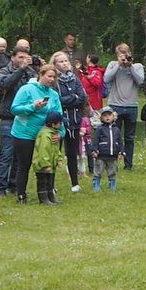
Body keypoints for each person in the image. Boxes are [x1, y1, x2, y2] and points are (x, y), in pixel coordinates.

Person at [10, 62, 60, 203]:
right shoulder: (26, 89)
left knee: (46, 163)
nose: (51, 79)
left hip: (45, 135)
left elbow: (59, 114)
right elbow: (14, 109)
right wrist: (33, 107)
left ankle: (46, 195)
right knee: (24, 165)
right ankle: (21, 195)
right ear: (41, 75)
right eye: (49, 76)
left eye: (54, 77)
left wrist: (60, 133)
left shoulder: (53, 94)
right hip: (24, 133)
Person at [0, 46, 35, 194]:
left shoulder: (30, 72)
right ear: (12, 57)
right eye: (20, 57)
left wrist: (37, 68)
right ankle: (0, 187)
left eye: (25, 57)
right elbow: (5, 84)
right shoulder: (3, 71)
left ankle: (14, 185)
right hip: (8, 117)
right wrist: (21, 69)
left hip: (24, 117)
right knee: (6, 154)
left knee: (19, 155)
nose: (23, 60)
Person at [51, 51, 89, 193]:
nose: (64, 63)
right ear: (55, 64)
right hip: (59, 122)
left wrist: (70, 99)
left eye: (66, 60)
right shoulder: (53, 81)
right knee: (54, 154)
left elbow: (82, 97)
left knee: (72, 153)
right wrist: (73, 98)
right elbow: (57, 100)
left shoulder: (75, 79)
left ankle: (75, 183)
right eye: (61, 61)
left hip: (74, 121)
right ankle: (50, 185)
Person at [103, 43, 145, 170]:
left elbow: (140, 81)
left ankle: (128, 164)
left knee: (129, 137)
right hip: (115, 104)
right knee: (113, 135)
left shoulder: (137, 66)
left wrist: (130, 66)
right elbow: (106, 79)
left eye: (126, 54)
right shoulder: (112, 65)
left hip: (131, 106)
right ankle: (113, 163)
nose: (124, 57)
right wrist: (118, 65)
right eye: (121, 54)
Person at [31, 112, 65, 205]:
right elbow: (43, 150)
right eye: (60, 123)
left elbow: (56, 148)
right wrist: (46, 165)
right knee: (43, 182)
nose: (61, 125)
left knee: (50, 181)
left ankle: (51, 197)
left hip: (51, 164)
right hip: (42, 165)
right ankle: (43, 199)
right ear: (53, 124)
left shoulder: (54, 134)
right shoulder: (45, 135)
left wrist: (58, 159)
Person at [90, 106, 124, 191]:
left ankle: (112, 185)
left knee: (112, 171)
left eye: (109, 115)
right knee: (98, 170)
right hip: (101, 155)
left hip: (113, 155)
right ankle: (96, 184)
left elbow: (120, 141)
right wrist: (94, 150)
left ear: (113, 116)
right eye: (105, 115)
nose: (107, 117)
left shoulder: (116, 130)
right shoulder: (100, 129)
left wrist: (121, 152)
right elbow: (95, 140)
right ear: (101, 118)